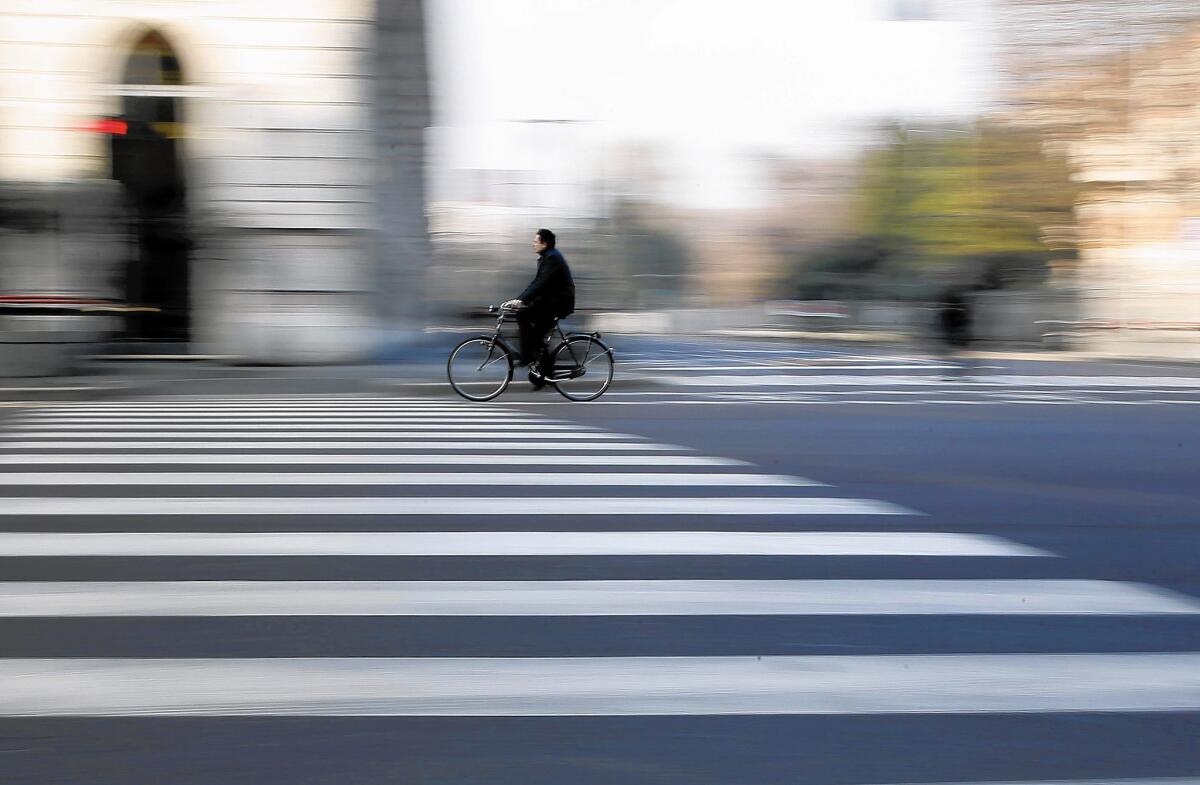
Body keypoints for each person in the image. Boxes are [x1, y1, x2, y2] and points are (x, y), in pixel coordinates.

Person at [502, 229, 576, 385]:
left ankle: (530, 359)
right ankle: (542, 371)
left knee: (527, 322)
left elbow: (541, 283)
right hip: (550, 302)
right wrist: (520, 300)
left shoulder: (552, 258)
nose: (533, 244)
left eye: (535, 241)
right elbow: (537, 283)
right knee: (531, 327)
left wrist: (521, 300)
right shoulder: (547, 257)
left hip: (558, 304)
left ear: (544, 243)